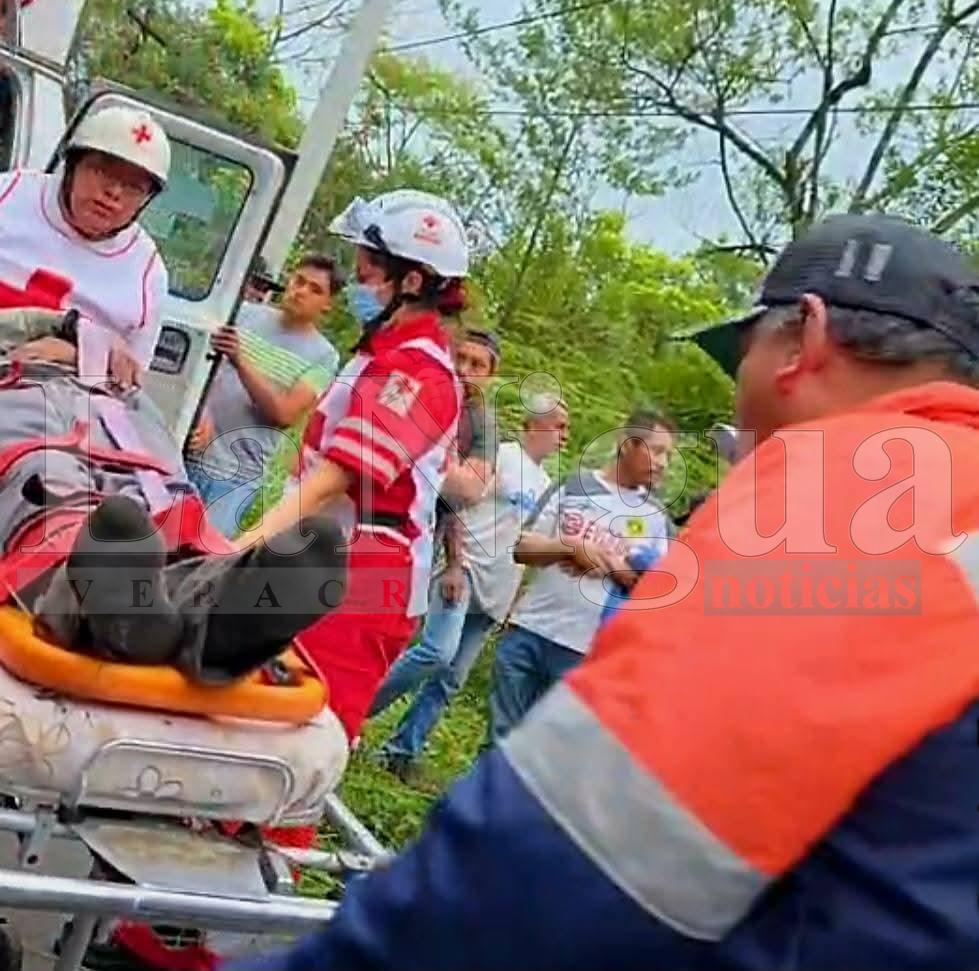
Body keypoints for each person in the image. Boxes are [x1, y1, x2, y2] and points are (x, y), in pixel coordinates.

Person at [228, 212, 979, 971]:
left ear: (804, 339)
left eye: (740, 360)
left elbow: (545, 871)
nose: (737, 404)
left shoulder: (857, 500)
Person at [231, 188, 469, 744]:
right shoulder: (379, 354)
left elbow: (334, 478)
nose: (356, 284)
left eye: (366, 273)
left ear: (412, 281)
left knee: (304, 741)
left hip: (362, 575)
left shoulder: (416, 371)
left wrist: (241, 547)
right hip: (320, 555)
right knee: (255, 722)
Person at [370, 393, 570, 781]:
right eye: (559, 426)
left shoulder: (546, 485)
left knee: (451, 679)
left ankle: (401, 751)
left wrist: (514, 603)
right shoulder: (503, 456)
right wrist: (454, 564)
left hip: (497, 590)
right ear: (534, 424)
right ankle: (356, 708)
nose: (565, 435)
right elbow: (458, 506)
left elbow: (526, 544)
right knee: (436, 651)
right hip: (465, 570)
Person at [483, 406, 675, 742]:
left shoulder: (657, 519)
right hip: (531, 629)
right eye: (656, 451)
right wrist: (569, 548)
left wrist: (613, 565)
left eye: (668, 456)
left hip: (586, 651)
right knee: (499, 739)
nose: (663, 464)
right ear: (627, 445)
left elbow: (659, 591)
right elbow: (523, 547)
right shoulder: (573, 486)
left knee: (544, 751)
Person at [0, 104, 170, 389]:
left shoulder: (147, 274)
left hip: (47, 408)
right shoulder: (9, 193)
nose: (114, 193)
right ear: (72, 165)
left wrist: (76, 357)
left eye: (134, 187)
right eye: (103, 172)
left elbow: (127, 383)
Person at [187, 254, 343, 537]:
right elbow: (200, 367)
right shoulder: (244, 314)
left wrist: (240, 360)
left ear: (327, 304)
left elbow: (284, 414)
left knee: (204, 555)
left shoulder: (324, 356)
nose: (301, 291)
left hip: (236, 477)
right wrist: (201, 413)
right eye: (299, 281)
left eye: (315, 290)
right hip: (189, 452)